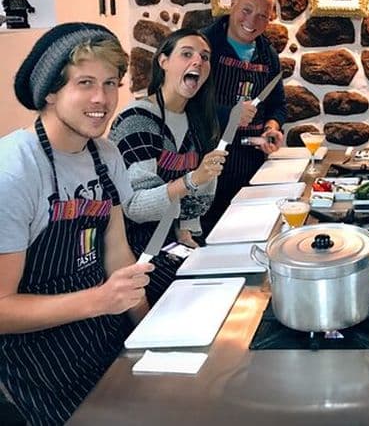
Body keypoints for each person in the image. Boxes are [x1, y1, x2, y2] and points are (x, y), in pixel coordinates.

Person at [0, 23, 153, 425]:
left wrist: (150, 331)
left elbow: (118, 256)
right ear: (50, 92)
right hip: (38, 362)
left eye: (110, 83)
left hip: (102, 336)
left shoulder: (106, 155)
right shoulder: (14, 170)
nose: (101, 99)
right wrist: (99, 300)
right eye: (85, 83)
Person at [109, 28, 226, 305]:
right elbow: (136, 207)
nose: (198, 61)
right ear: (163, 61)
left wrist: (186, 231)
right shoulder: (137, 120)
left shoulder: (198, 122)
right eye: (186, 54)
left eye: (205, 57)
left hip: (173, 241)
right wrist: (191, 180)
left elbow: (196, 204)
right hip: (134, 248)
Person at [201, 0, 287, 233]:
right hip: (208, 165)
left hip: (252, 165)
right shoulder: (203, 46)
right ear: (232, 6)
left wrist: (271, 129)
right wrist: (229, 115)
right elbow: (185, 103)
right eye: (246, 10)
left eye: (262, 16)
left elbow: (278, 105)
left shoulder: (268, 55)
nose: (252, 21)